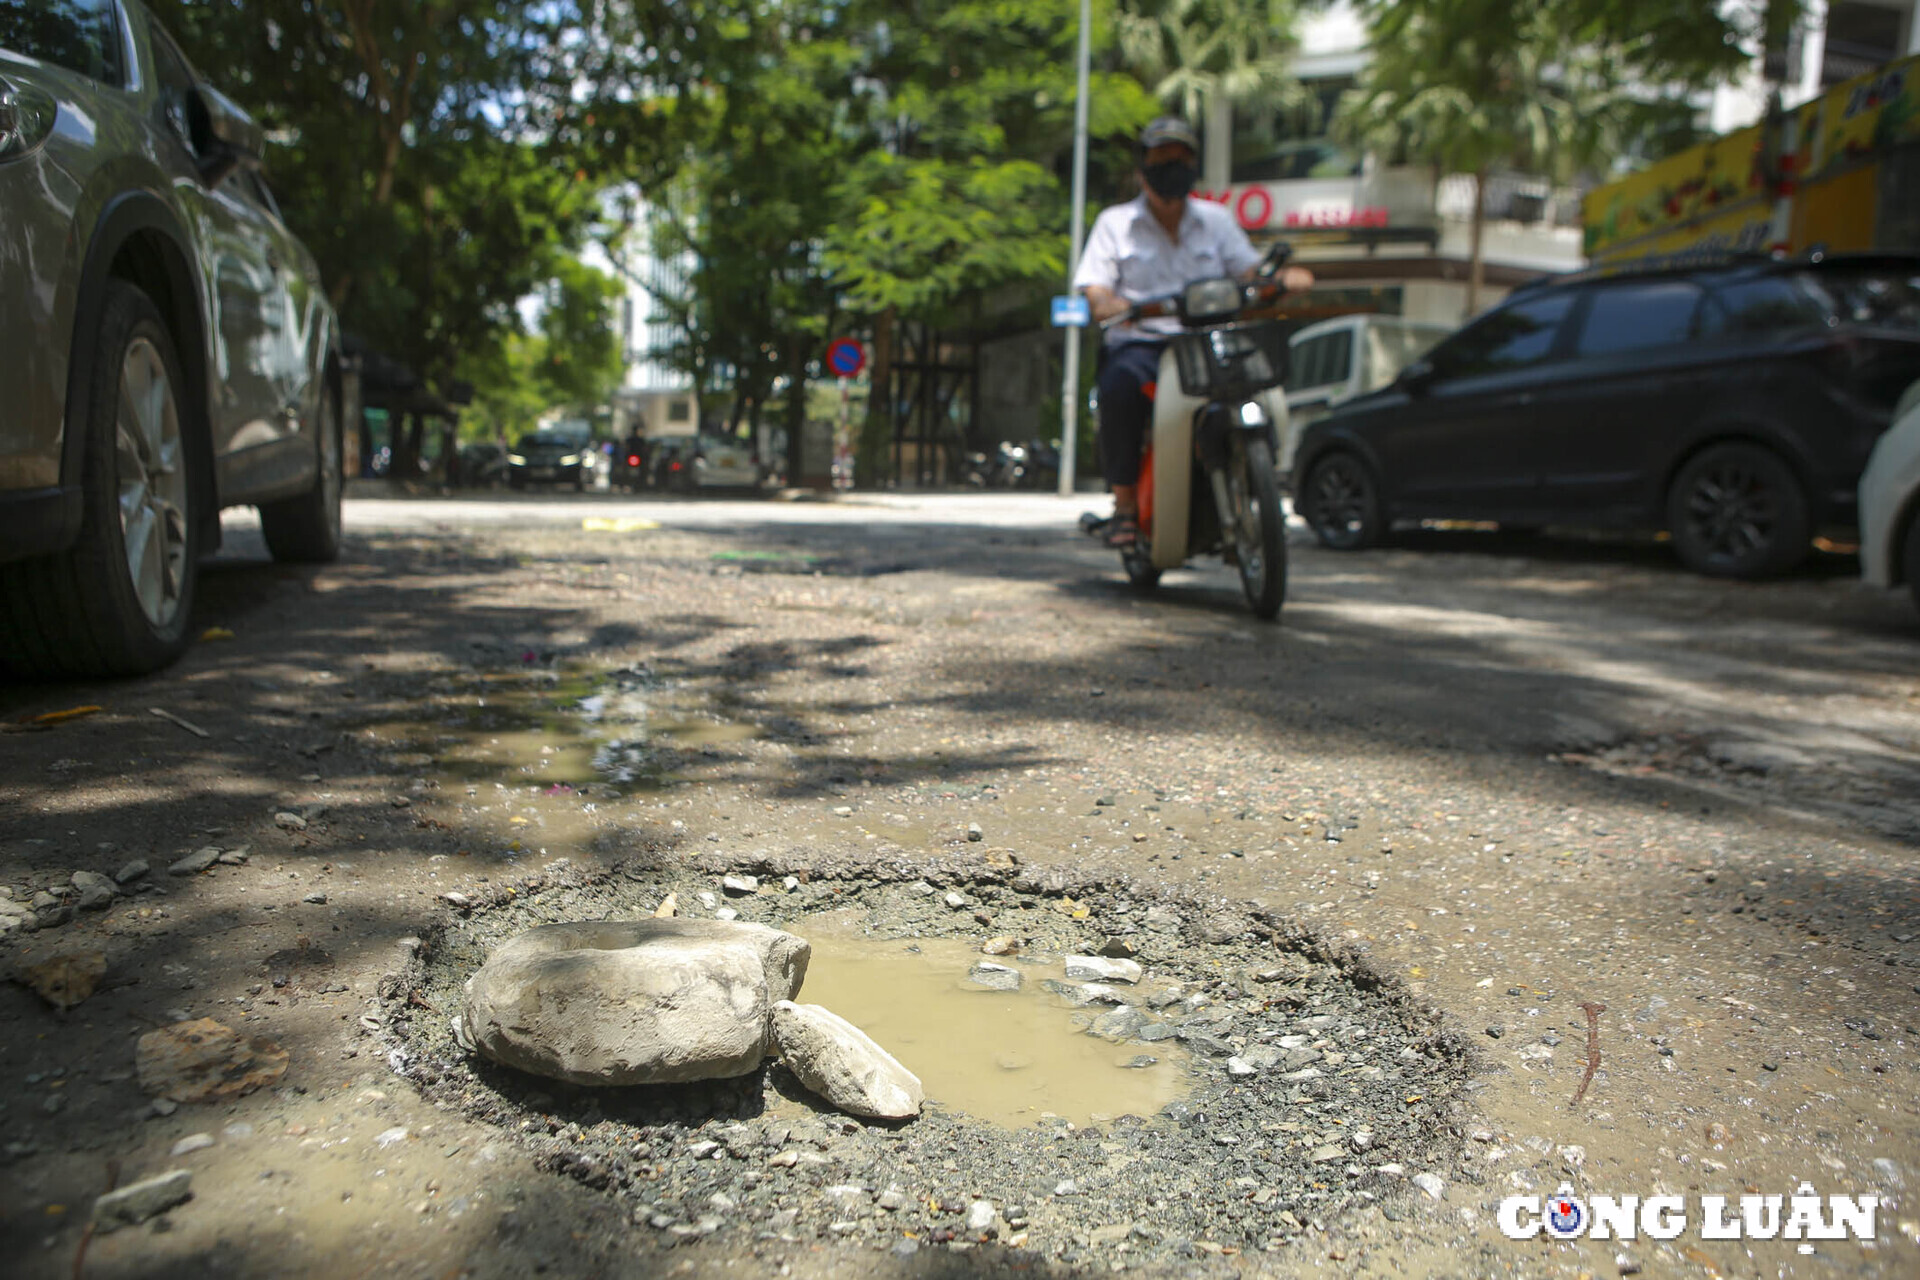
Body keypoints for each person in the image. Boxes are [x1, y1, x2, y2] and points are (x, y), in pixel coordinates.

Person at [1072, 117, 1313, 546]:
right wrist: (1107, 303)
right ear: (1143, 167)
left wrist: (1281, 281)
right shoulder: (1116, 223)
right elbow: (1096, 287)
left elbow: (1249, 272)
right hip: (1143, 344)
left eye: (1181, 159)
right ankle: (1125, 506)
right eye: (1162, 159)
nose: (1172, 167)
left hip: (1209, 343)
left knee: (1253, 385)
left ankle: (1253, 475)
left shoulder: (1216, 221)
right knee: (1118, 390)